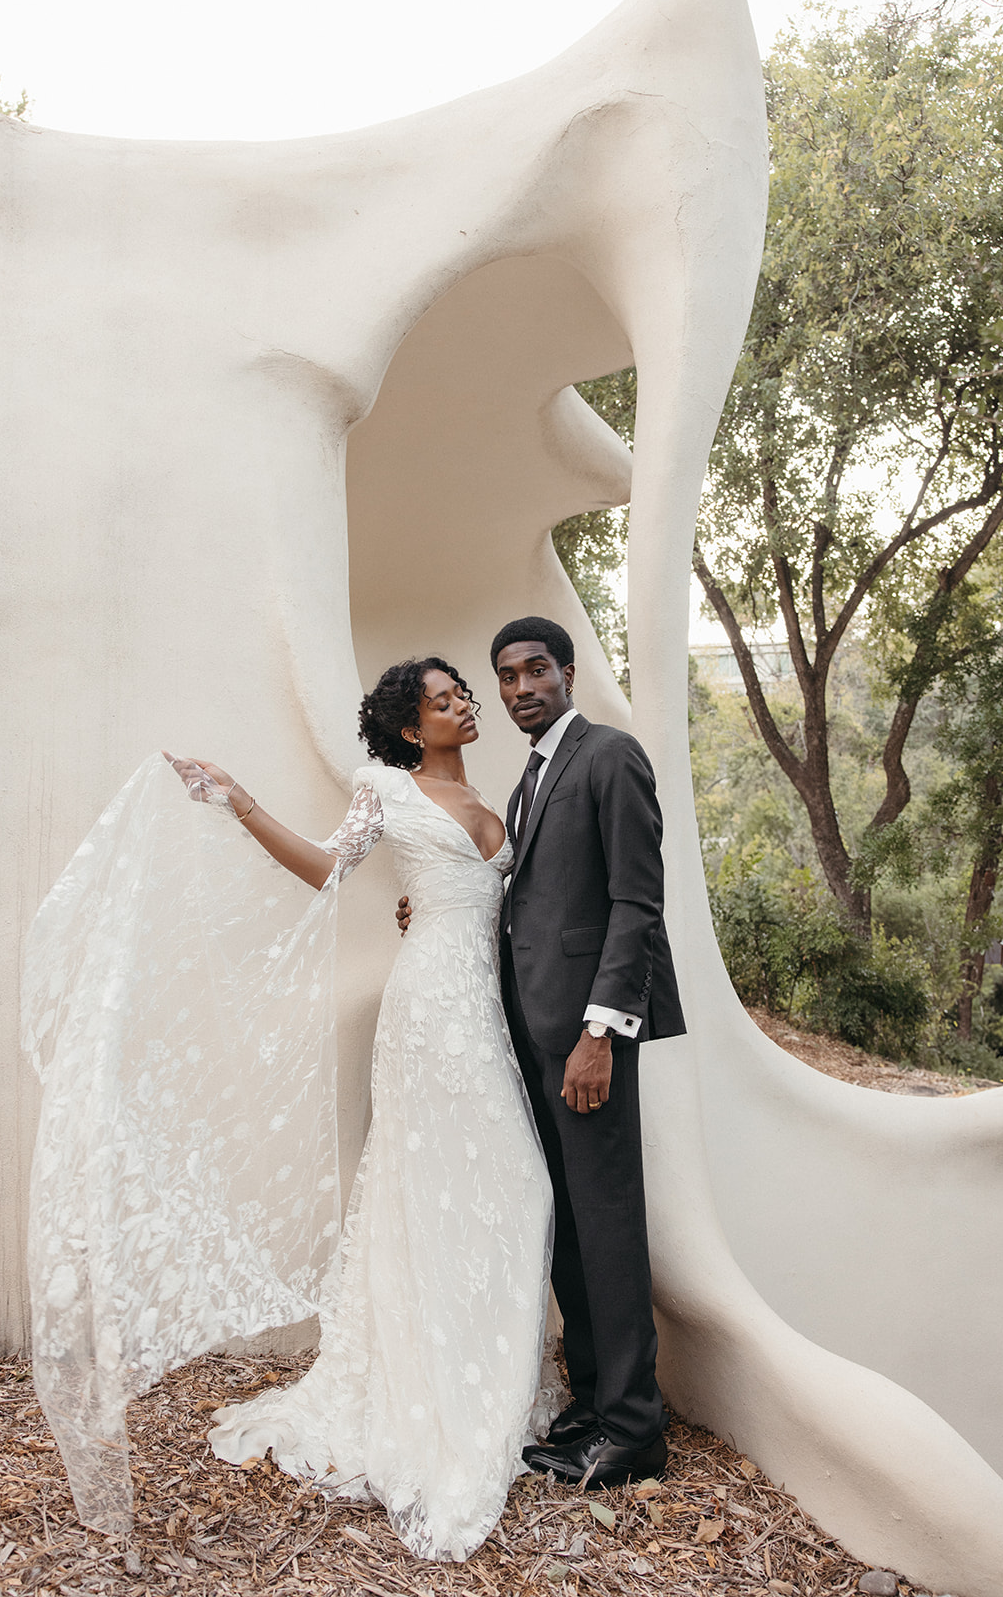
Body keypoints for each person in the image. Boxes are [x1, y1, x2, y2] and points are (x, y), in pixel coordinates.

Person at [29, 656, 556, 1564]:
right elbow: (325, 869)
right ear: (406, 727)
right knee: (435, 1190)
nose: (464, 705)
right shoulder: (383, 789)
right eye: (442, 701)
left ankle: (488, 1378)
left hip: (486, 1010)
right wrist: (241, 802)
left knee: (510, 1192)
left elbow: (495, 900)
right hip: (430, 1014)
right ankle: (433, 1392)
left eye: (462, 693)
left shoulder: (501, 797)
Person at [399, 617, 685, 1488]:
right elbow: (521, 897)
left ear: (567, 671)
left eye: (536, 671)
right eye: (506, 677)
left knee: (608, 1224)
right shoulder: (526, 781)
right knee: (565, 1225)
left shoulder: (608, 756)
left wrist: (600, 1032)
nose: (521, 688)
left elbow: (635, 903)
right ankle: (595, 1404)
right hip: (527, 1036)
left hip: (585, 1041)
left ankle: (635, 1430)